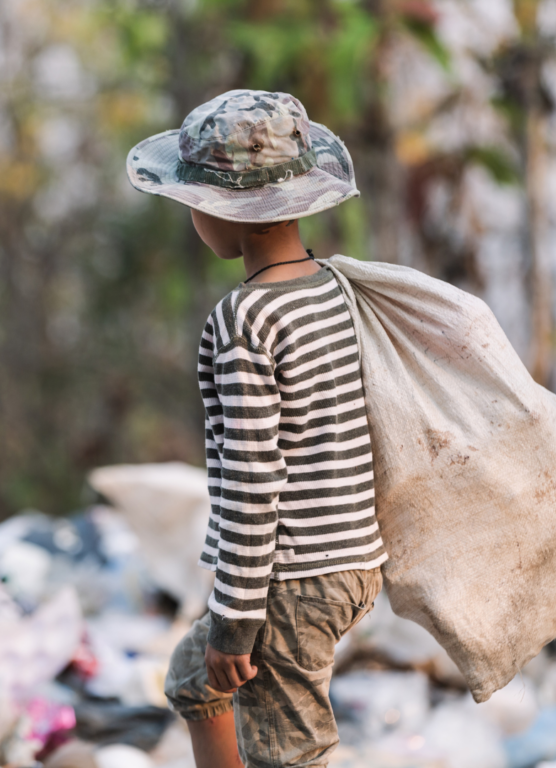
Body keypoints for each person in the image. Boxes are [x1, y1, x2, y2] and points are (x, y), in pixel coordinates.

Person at [127, 90, 388, 768]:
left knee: (287, 753)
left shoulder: (245, 319)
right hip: (353, 559)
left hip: (290, 577)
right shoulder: (335, 289)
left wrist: (236, 622)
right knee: (195, 681)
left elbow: (252, 481)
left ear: (223, 210)